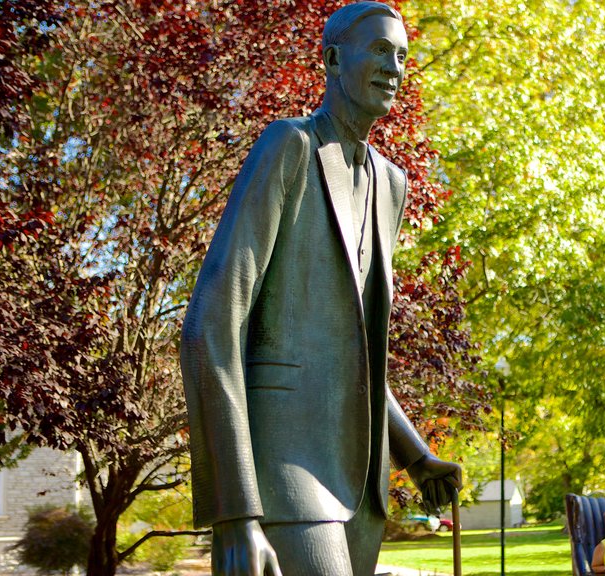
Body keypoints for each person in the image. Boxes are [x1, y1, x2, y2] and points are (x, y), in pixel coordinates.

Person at [179, 3, 461, 575]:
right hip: (282, 472)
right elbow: (210, 327)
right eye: (380, 50)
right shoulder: (289, 147)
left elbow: (351, 355)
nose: (395, 67)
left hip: (361, 488)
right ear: (333, 59)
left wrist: (415, 456)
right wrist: (235, 513)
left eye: (403, 55)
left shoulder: (391, 184)